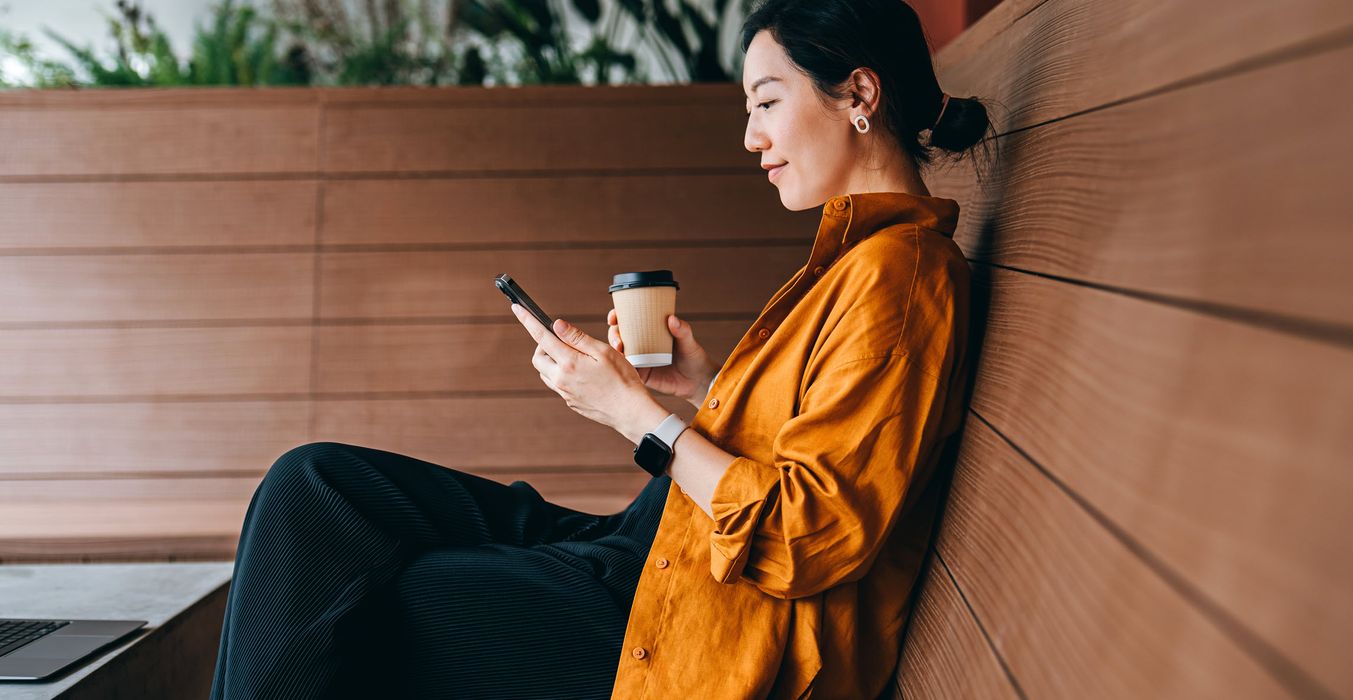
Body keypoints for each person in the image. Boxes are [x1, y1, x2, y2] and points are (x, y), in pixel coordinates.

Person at [207, 0, 992, 698]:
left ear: (858, 94)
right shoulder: (859, 263)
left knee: (384, 598)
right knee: (314, 486)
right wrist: (704, 385)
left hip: (699, 623)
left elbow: (808, 535)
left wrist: (637, 417)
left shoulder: (903, 276)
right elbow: (817, 439)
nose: (752, 137)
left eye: (766, 102)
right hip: (653, 548)